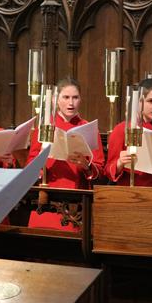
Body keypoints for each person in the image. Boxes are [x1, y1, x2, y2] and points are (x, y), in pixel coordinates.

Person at [26, 77, 105, 230]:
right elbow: (30, 166)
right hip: (48, 199)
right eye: (66, 97)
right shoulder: (44, 126)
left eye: (75, 97)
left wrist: (86, 165)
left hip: (77, 202)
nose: (71, 103)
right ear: (56, 99)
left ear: (80, 99)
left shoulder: (88, 128)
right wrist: (41, 159)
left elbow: (100, 169)